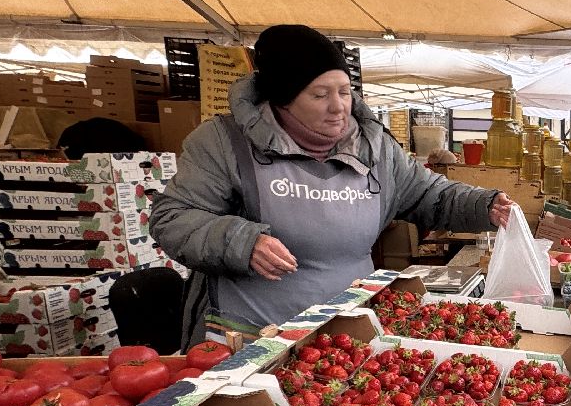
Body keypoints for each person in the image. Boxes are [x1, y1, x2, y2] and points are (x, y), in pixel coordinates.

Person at [150, 24, 513, 345]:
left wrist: (483, 205)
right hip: (251, 337)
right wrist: (241, 241)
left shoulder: (373, 146)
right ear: (283, 100)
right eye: (320, 95)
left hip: (347, 335)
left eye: (343, 91)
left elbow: (430, 194)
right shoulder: (223, 142)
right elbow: (172, 216)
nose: (338, 106)